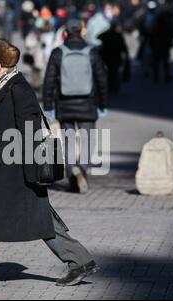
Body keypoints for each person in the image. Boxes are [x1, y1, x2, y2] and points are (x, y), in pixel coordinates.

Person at [0, 39, 98, 290]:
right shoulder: (4, 87)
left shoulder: (17, 88)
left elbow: (31, 131)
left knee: (7, 216)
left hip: (16, 171)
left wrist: (32, 174)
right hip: (3, 170)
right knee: (19, 217)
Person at [43, 20, 108, 194]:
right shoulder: (91, 52)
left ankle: (72, 175)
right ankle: (82, 168)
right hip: (87, 104)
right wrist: (103, 104)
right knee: (87, 141)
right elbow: (102, 79)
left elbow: (49, 81)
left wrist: (48, 106)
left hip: (65, 105)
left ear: (65, 34)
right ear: (81, 32)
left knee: (69, 141)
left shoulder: (58, 53)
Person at [98, 21, 130, 94]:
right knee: (114, 74)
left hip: (107, 57)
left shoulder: (107, 34)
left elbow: (98, 36)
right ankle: (114, 88)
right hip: (115, 58)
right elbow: (124, 47)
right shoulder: (118, 35)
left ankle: (111, 88)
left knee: (110, 74)